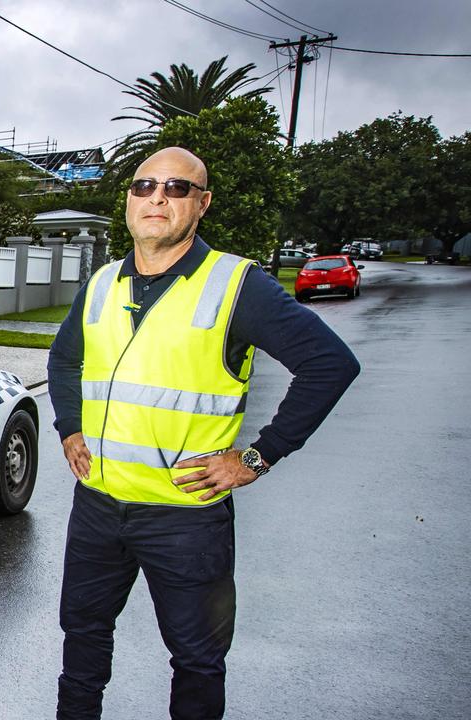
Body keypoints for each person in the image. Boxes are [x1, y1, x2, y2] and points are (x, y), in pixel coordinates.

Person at [46, 147, 360, 720]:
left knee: (196, 659)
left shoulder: (236, 285)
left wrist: (257, 458)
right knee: (82, 641)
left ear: (202, 203)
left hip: (185, 516)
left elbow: (330, 364)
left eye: (176, 188)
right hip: (97, 506)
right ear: (128, 201)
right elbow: (64, 362)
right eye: (143, 187)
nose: (157, 198)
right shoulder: (100, 285)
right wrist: (70, 428)